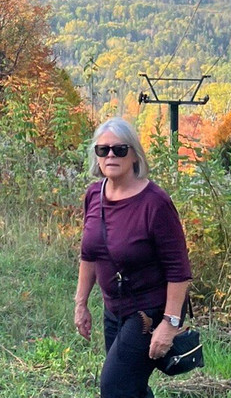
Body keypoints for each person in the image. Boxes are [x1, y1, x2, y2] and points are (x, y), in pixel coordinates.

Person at [73, 117, 192, 398]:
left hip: (148, 312)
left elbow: (179, 270)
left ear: (135, 154)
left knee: (114, 387)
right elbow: (89, 255)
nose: (111, 155)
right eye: (103, 150)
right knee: (132, 388)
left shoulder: (155, 203)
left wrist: (169, 323)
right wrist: (81, 304)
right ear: (96, 156)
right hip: (114, 309)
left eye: (119, 149)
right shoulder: (93, 195)